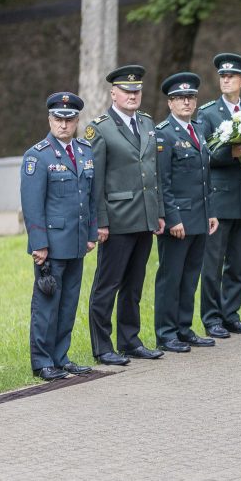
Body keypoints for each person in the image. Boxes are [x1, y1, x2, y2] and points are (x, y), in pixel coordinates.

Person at [86, 65, 165, 366]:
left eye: (137, 91)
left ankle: (130, 341)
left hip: (144, 217)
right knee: (108, 284)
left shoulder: (146, 123)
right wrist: (100, 221)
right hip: (117, 220)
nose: (133, 96)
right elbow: (96, 181)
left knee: (134, 284)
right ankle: (103, 346)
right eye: (127, 91)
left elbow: (152, 174)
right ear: (113, 93)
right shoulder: (100, 128)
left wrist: (158, 212)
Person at [21, 92, 96, 381]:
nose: (63, 125)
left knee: (68, 305)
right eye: (57, 119)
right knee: (46, 306)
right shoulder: (36, 156)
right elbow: (32, 205)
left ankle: (60, 357)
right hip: (50, 246)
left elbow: (89, 197)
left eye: (69, 119)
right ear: (49, 119)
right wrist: (38, 244)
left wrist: (91, 234)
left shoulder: (84, 151)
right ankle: (42, 362)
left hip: (76, 243)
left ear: (77, 121)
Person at [198, 53, 241, 339]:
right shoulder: (208, 113)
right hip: (219, 196)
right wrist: (234, 152)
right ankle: (212, 318)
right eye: (222, 76)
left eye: (231, 77)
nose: (226, 80)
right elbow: (206, 156)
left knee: (238, 263)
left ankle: (231, 314)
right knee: (212, 264)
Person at [153, 73, 219, 353]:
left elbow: (205, 176)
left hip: (200, 216)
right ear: (170, 102)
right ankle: (166, 334)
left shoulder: (197, 129)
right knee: (171, 277)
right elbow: (162, 182)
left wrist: (211, 212)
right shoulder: (164, 134)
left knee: (191, 276)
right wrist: (172, 219)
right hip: (178, 219)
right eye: (180, 98)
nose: (187, 102)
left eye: (191, 97)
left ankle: (183, 327)